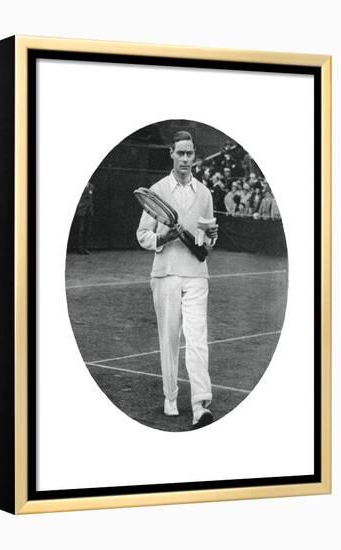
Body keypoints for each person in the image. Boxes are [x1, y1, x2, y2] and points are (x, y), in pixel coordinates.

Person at [136, 131, 218, 429]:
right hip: (166, 274)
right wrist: (162, 237)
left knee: (197, 339)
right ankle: (170, 396)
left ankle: (200, 405)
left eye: (190, 154)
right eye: (180, 153)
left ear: (195, 156)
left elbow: (208, 234)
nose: (185, 159)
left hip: (197, 274)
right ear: (171, 153)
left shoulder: (206, 193)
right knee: (169, 339)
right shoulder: (156, 189)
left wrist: (210, 237)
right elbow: (142, 234)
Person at [74, 181, 95, 254]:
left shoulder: (92, 186)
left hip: (89, 211)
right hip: (81, 211)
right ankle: (80, 249)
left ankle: (85, 248)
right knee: (81, 230)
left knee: (88, 230)